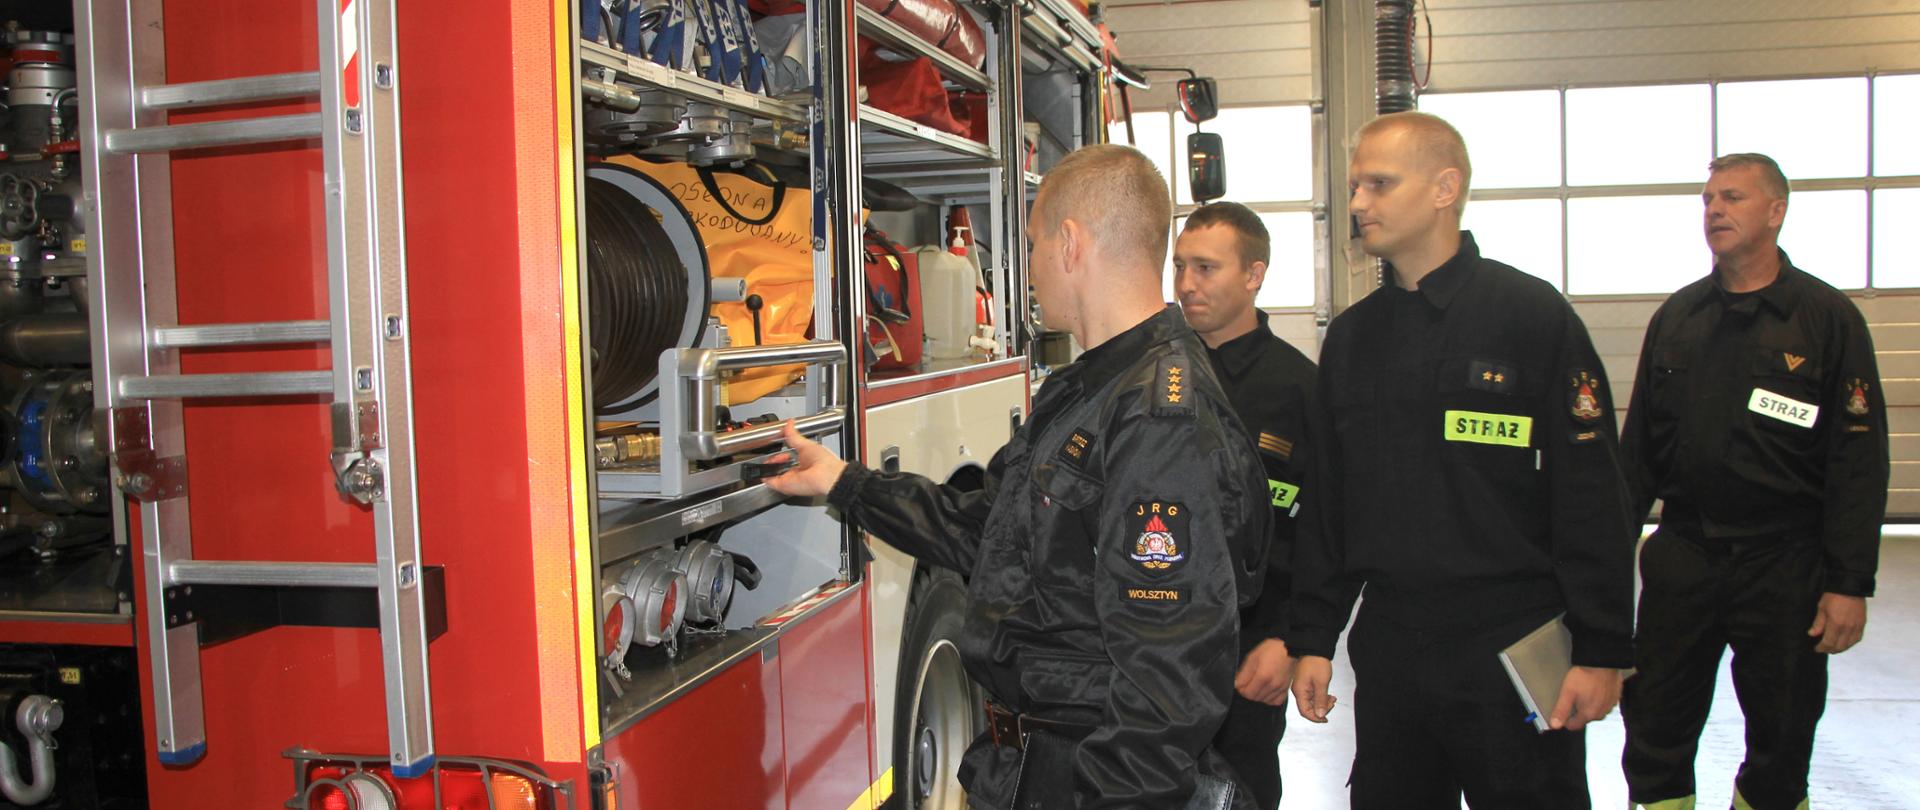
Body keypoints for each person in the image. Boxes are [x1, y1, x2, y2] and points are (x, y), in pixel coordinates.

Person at [764, 144, 1270, 809]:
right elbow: (991, 533)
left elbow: (1168, 678)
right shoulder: (1091, 390)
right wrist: (846, 484)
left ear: (1070, 243)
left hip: (1090, 779)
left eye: (1031, 245)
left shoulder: (1157, 418)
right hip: (1034, 767)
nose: (1026, 269)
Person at [1285, 111, 1636, 808]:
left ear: (1445, 189)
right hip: (1392, 644)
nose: (1358, 203)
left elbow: (1592, 494)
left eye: (1379, 184)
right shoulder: (1353, 340)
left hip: (1510, 640)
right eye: (1355, 187)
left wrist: (1603, 648)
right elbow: (1328, 505)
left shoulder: (1530, 317)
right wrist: (1315, 636)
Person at [1618, 153, 1889, 810]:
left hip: (1784, 562)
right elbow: (1637, 457)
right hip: (1685, 556)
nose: (1715, 210)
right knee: (1653, 720)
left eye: (1733, 197)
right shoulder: (1679, 317)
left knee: (1784, 731)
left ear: (1775, 211)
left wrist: (1848, 583)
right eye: (1708, 199)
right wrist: (1599, 564)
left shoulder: (1825, 320)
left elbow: (1858, 462)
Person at [1172, 201, 1318, 810]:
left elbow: (1321, 533)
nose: (1186, 284)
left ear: (1254, 275)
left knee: (1243, 792)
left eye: (1205, 268)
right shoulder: (1154, 375)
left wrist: (1289, 638)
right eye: (1179, 266)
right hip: (1152, 648)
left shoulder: (1299, 390)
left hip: (1248, 655)